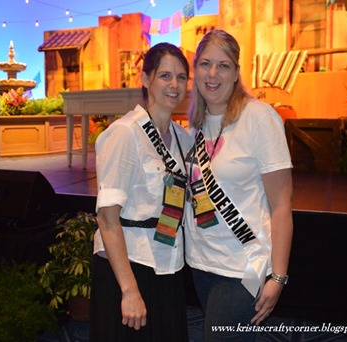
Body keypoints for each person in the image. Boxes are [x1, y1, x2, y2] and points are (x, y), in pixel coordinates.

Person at [184, 30, 294, 341]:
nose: (213, 74)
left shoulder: (259, 118)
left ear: (236, 73)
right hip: (202, 262)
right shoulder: (196, 124)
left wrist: (278, 276)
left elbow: (282, 204)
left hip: (243, 266)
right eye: (205, 64)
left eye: (224, 65)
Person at [90, 42, 191, 342]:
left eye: (182, 77)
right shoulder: (125, 134)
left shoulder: (182, 139)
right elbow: (107, 219)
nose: (174, 84)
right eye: (165, 76)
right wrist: (129, 290)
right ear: (146, 80)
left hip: (169, 264)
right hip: (129, 268)